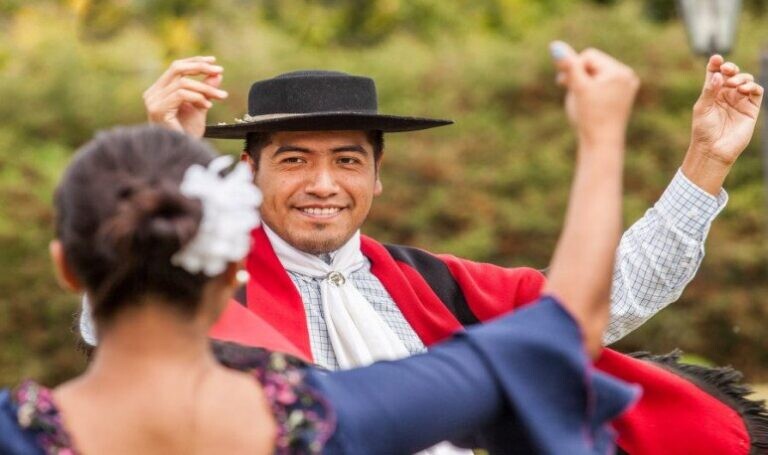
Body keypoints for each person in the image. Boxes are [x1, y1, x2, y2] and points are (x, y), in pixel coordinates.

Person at [81, 43, 765, 452]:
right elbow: (115, 321)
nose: (323, 184)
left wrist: (705, 161)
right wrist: (168, 162)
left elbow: (601, 302)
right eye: (293, 160)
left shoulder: (436, 284)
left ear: (377, 176)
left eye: (347, 160)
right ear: (249, 172)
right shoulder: (205, 282)